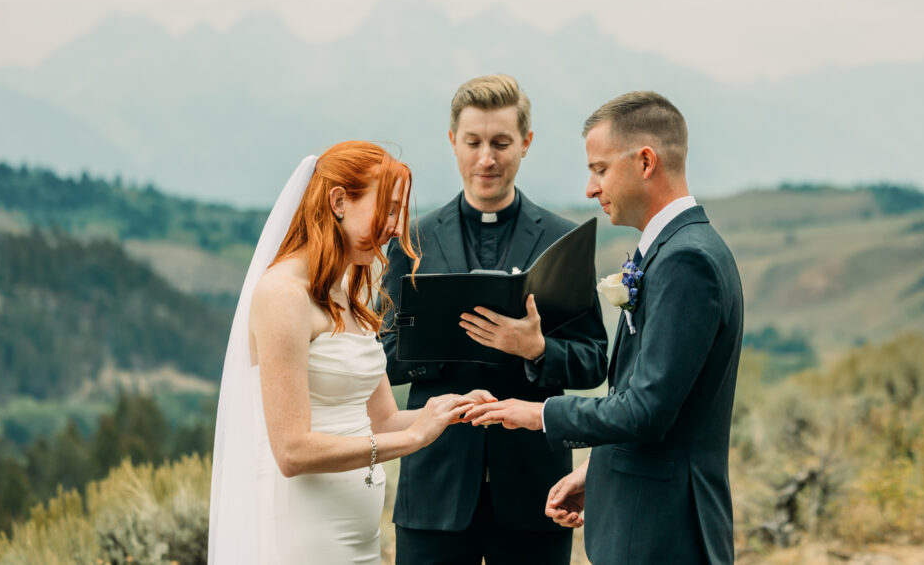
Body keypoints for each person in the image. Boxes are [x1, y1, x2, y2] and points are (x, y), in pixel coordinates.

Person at [465, 92, 745, 564]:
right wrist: (600, 468)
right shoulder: (672, 249)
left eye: (599, 169)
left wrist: (537, 414)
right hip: (647, 522)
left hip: (664, 534)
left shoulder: (687, 260)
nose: (590, 189)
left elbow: (646, 411)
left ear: (646, 161)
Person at [208, 141, 490, 565]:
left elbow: (384, 419)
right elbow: (292, 451)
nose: (396, 229)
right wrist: (413, 439)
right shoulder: (283, 294)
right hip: (302, 532)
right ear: (339, 201)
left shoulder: (351, 289)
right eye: (388, 209)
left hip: (357, 535)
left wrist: (448, 411)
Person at [380, 75, 609, 565]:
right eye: (474, 142)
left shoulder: (564, 240)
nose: (487, 158)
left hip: (535, 490)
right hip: (434, 489)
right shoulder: (410, 241)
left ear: (525, 143)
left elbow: (593, 363)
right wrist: (441, 344)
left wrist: (537, 350)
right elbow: (379, 360)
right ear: (452, 143)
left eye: (501, 143)